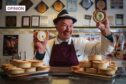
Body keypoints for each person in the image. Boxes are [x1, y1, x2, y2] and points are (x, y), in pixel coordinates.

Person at [35, 9, 115, 67]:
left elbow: (104, 50)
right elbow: (41, 67)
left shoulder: (81, 43)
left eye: (71, 26)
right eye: (64, 25)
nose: (68, 29)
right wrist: (40, 54)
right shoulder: (48, 44)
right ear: (56, 27)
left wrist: (106, 32)